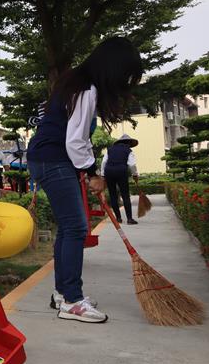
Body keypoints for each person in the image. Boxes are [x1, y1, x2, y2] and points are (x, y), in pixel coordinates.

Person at [27, 37, 142, 323]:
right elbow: (76, 140)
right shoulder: (86, 89)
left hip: (47, 158)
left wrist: (88, 170)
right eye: (125, 75)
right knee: (76, 227)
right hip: (53, 159)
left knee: (68, 229)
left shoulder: (75, 83)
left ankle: (62, 294)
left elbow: (75, 140)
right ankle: (72, 301)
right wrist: (92, 172)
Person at [100, 134, 139, 225]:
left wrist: (102, 175)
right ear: (128, 143)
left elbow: (104, 162)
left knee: (113, 195)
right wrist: (135, 175)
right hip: (121, 171)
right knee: (125, 195)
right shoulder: (128, 150)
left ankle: (118, 218)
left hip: (109, 171)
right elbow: (132, 165)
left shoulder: (110, 150)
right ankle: (129, 219)